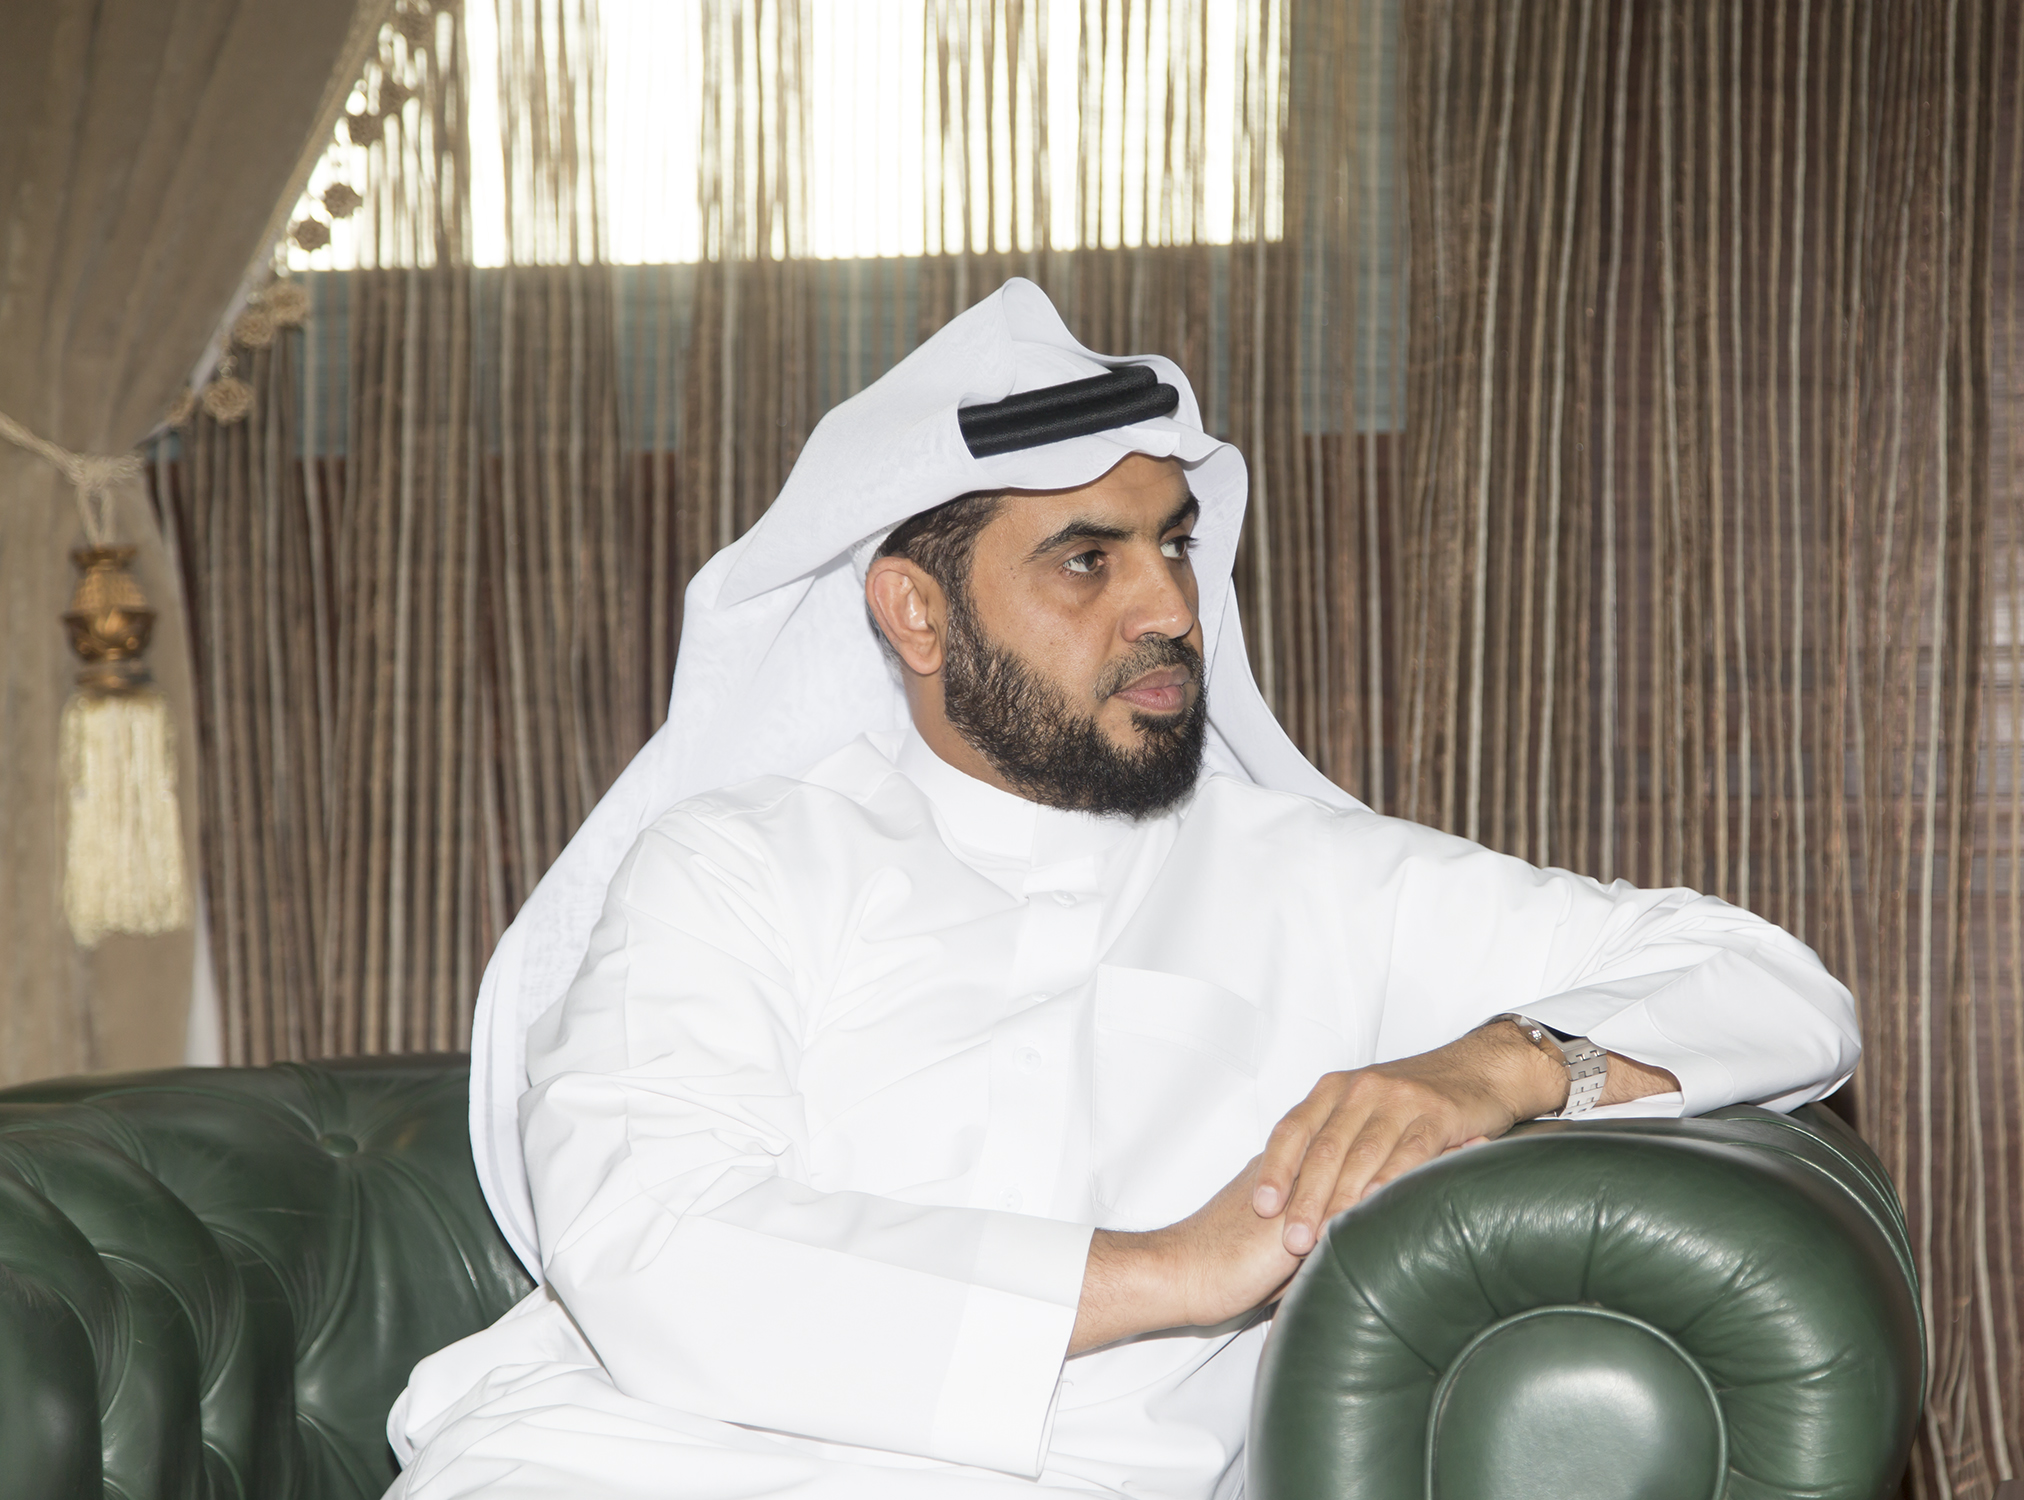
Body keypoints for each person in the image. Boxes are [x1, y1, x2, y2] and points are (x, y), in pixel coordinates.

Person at [383, 281, 1858, 1499]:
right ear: (914, 613)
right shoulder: (739, 863)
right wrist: (1173, 1271)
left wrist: (1500, 1066)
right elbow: (651, 1238)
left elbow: (1773, 986)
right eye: (1085, 560)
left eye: (1173, 545)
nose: (1168, 608)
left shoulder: (1319, 876)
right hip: (608, 1458)